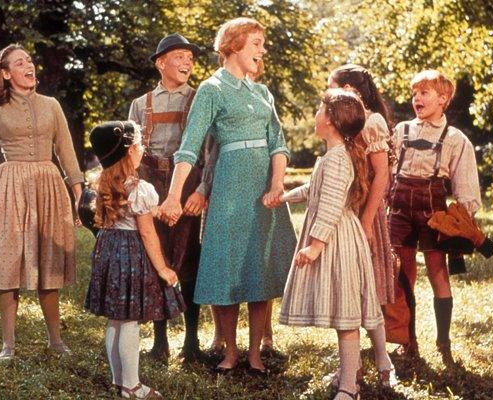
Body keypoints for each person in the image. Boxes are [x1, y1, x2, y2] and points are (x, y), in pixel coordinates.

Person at [159, 17, 297, 374]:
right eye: (256, 43)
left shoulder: (262, 92)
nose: (262, 51)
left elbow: (278, 143)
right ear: (234, 45)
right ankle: (231, 352)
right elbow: (189, 149)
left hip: (263, 192)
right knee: (225, 267)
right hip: (228, 191)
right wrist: (175, 196)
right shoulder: (212, 89)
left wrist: (276, 185)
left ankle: (254, 354)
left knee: (259, 270)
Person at [0, 44, 83, 360]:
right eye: (20, 63)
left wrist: (78, 192)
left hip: (48, 186)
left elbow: (67, 152)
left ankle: (56, 341)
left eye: (30, 60)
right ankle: (8, 345)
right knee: (9, 264)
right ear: (6, 74)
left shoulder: (52, 105)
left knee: (49, 264)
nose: (29, 66)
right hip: (9, 188)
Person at [279, 88, 382, 400]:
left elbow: (331, 206)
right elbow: (316, 189)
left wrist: (314, 246)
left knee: (346, 315)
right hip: (334, 238)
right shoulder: (334, 156)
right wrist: (284, 196)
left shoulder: (337, 159)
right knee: (343, 311)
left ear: (332, 121)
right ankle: (348, 374)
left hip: (336, 240)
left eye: (319, 111)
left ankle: (350, 387)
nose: (315, 116)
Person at [127, 33, 212, 362]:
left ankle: (191, 342)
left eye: (190, 57)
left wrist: (202, 190)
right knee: (156, 259)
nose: (187, 61)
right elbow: (130, 153)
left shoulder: (200, 98)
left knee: (190, 260)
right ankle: (159, 341)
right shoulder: (141, 103)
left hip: (188, 185)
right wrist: (136, 188)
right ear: (160, 63)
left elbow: (209, 150)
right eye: (179, 56)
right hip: (151, 185)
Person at [388, 70, 482, 364]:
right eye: (415, 93)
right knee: (401, 274)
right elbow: (386, 172)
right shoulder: (401, 131)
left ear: (443, 99)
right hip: (400, 208)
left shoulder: (455, 139)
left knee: (438, 272)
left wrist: (463, 219)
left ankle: (443, 339)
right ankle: (407, 339)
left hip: (433, 210)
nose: (417, 98)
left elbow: (465, 184)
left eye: (425, 93)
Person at [85, 121, 183, 399]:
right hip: (129, 255)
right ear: (128, 152)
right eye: (139, 144)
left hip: (108, 252)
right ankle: (132, 386)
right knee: (130, 320)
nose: (143, 149)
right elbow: (147, 233)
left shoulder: (103, 185)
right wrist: (163, 268)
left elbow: (128, 216)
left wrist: (154, 212)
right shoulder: (140, 188)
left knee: (115, 320)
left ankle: (118, 380)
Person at [328, 65, 397, 386]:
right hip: (348, 210)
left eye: (332, 88)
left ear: (346, 88)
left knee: (367, 287)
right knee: (351, 290)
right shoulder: (343, 125)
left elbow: (381, 174)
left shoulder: (371, 121)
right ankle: (356, 366)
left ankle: (382, 363)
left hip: (365, 212)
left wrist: (367, 222)